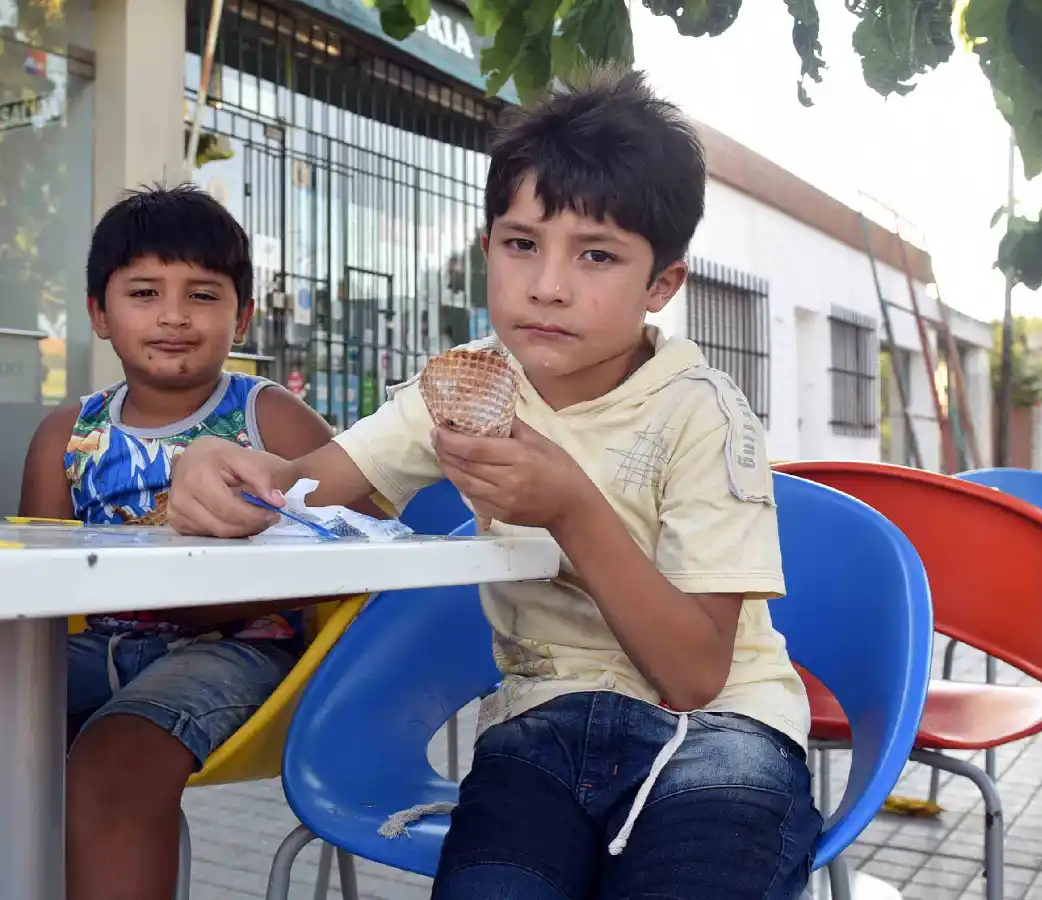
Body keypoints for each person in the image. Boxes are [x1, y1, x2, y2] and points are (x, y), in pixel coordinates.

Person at [167, 68, 822, 899]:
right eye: (521, 244)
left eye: (596, 254)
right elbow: (301, 491)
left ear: (661, 284)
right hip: (541, 728)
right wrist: (222, 467)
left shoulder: (704, 415)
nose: (548, 284)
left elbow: (694, 674)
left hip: (723, 732)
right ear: (487, 252)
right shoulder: (465, 387)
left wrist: (572, 509)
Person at [17, 184, 358, 900]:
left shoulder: (271, 419)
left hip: (242, 651)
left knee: (115, 760)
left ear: (243, 318)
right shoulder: (65, 436)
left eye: (203, 295)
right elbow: (34, 588)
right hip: (92, 645)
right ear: (98, 314)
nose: (174, 315)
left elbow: (358, 538)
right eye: (144, 292)